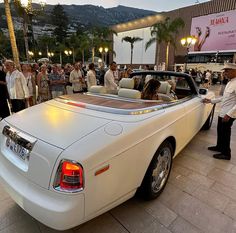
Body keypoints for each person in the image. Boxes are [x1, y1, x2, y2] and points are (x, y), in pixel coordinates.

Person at [203, 63, 236, 160]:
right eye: (224, 71)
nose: (225, 73)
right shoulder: (230, 82)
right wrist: (211, 101)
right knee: (220, 131)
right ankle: (219, 147)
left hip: (228, 114)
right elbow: (224, 98)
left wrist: (229, 114)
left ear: (234, 71)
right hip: (222, 112)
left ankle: (226, 153)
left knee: (225, 133)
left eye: (227, 70)